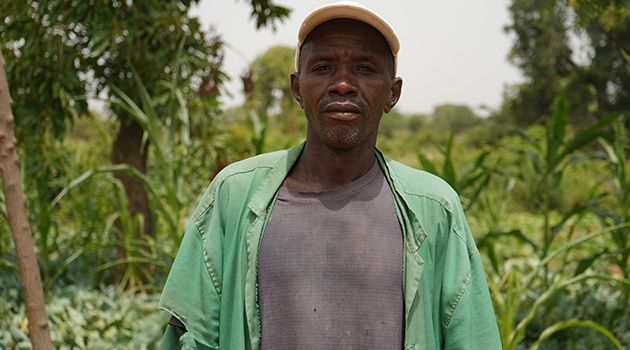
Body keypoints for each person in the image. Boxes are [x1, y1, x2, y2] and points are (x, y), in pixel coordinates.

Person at [159, 1, 501, 349]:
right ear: (297, 88)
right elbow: (191, 334)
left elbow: (472, 338)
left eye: (365, 69)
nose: (342, 85)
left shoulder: (434, 208)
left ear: (392, 93)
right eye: (323, 67)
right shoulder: (233, 197)